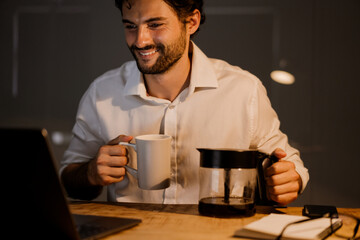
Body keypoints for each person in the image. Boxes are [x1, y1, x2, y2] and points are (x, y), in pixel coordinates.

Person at [60, 0, 309, 206]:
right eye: (130, 26)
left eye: (155, 24)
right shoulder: (102, 92)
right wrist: (91, 173)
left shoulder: (244, 90)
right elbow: (69, 179)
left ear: (191, 22)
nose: (140, 40)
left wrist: (289, 178)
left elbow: (292, 165)